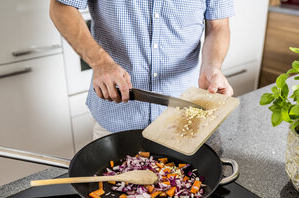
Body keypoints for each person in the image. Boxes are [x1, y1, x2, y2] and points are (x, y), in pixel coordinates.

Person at [50, 0, 235, 139]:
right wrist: (101, 62)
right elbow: (61, 7)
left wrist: (212, 66)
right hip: (116, 118)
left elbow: (218, 26)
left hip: (184, 115)